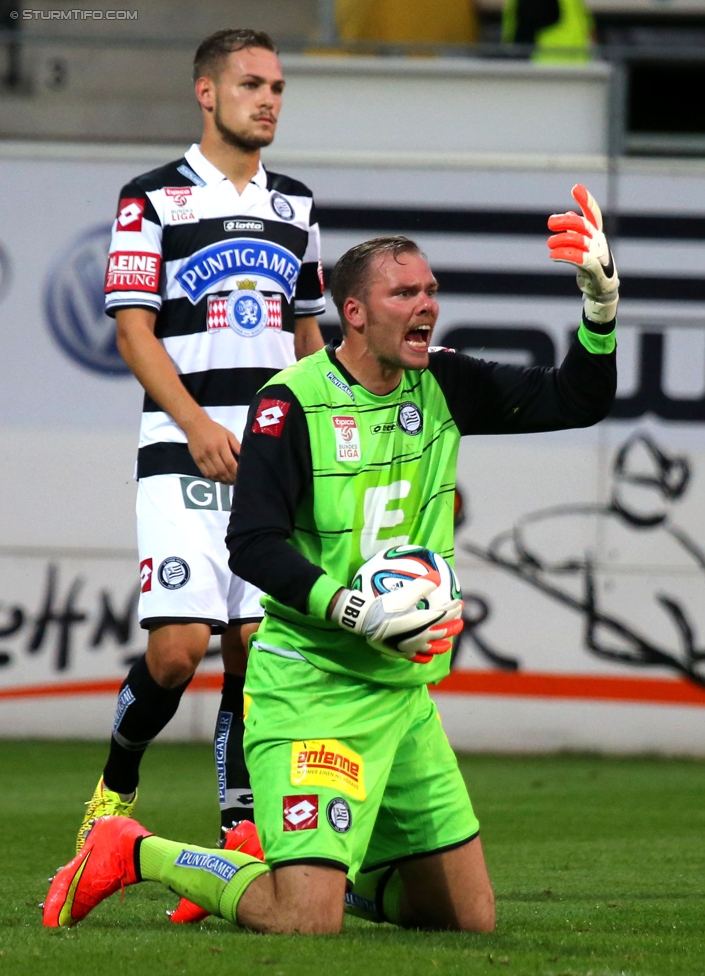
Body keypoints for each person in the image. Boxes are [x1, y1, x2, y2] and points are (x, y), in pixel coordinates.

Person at [48, 184, 618, 934]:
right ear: (353, 313)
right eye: (404, 293)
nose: (425, 306)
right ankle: (133, 849)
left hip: (401, 698)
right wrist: (352, 608)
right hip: (310, 690)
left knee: (467, 920)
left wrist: (599, 312)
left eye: (430, 291)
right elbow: (250, 543)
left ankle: (331, 874)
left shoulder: (443, 381)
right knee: (303, 922)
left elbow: (575, 399)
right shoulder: (291, 402)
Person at [77, 28, 325, 852]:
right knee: (180, 652)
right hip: (181, 453)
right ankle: (115, 783)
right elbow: (133, 332)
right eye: (252, 84)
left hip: (268, 465)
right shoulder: (150, 198)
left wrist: (315, 436)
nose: (268, 100)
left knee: (257, 654)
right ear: (207, 92)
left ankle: (240, 835)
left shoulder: (296, 207)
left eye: (278, 88)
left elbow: (306, 341)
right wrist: (195, 425)